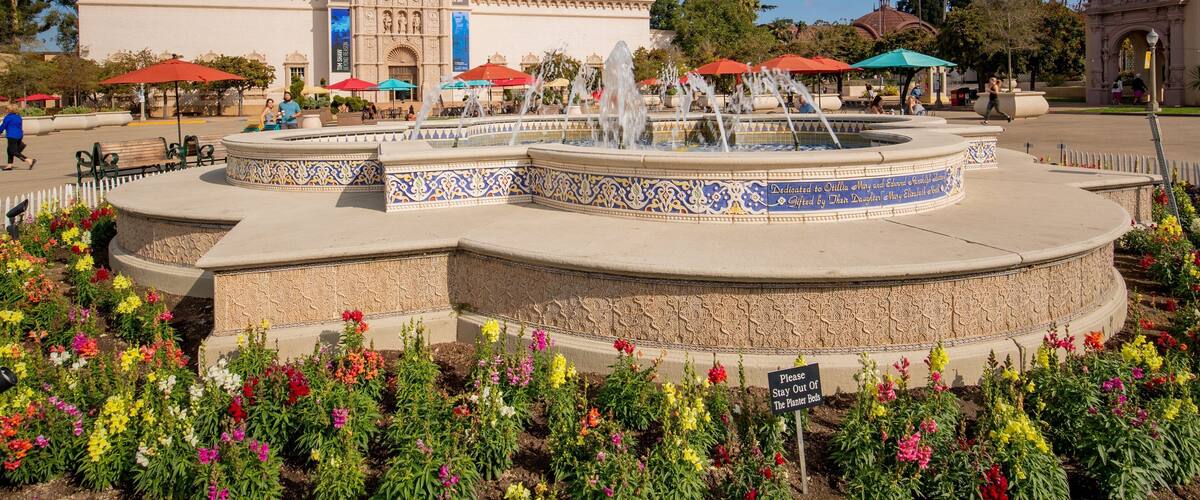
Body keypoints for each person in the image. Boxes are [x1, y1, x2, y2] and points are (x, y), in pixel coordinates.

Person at [0, 106, 35, 171]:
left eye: (6, 109)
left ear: (9, 110)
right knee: (9, 150)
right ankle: (9, 166)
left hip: (12, 136)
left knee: (13, 151)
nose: (5, 111)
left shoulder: (8, 118)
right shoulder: (18, 117)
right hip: (19, 135)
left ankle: (29, 160)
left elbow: (3, 126)